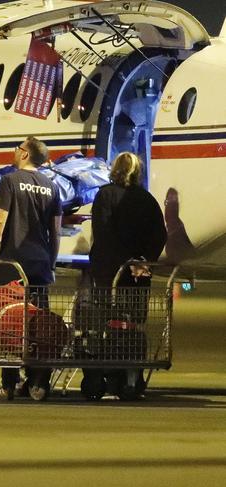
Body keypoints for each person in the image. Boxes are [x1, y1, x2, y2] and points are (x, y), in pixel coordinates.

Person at [0, 136, 62, 399]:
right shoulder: (52, 186)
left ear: (25, 154)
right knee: (40, 326)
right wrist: (51, 262)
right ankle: (38, 382)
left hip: (13, 263)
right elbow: (56, 231)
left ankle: (9, 384)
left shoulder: (10, 181)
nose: (15, 152)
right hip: (40, 263)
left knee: (10, 323)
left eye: (18, 148)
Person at [86, 151, 166, 399]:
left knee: (107, 325)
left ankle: (110, 379)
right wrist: (143, 261)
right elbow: (159, 234)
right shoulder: (147, 200)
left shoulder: (105, 195)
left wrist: (120, 262)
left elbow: (103, 233)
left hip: (110, 273)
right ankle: (133, 378)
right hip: (137, 276)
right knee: (133, 325)